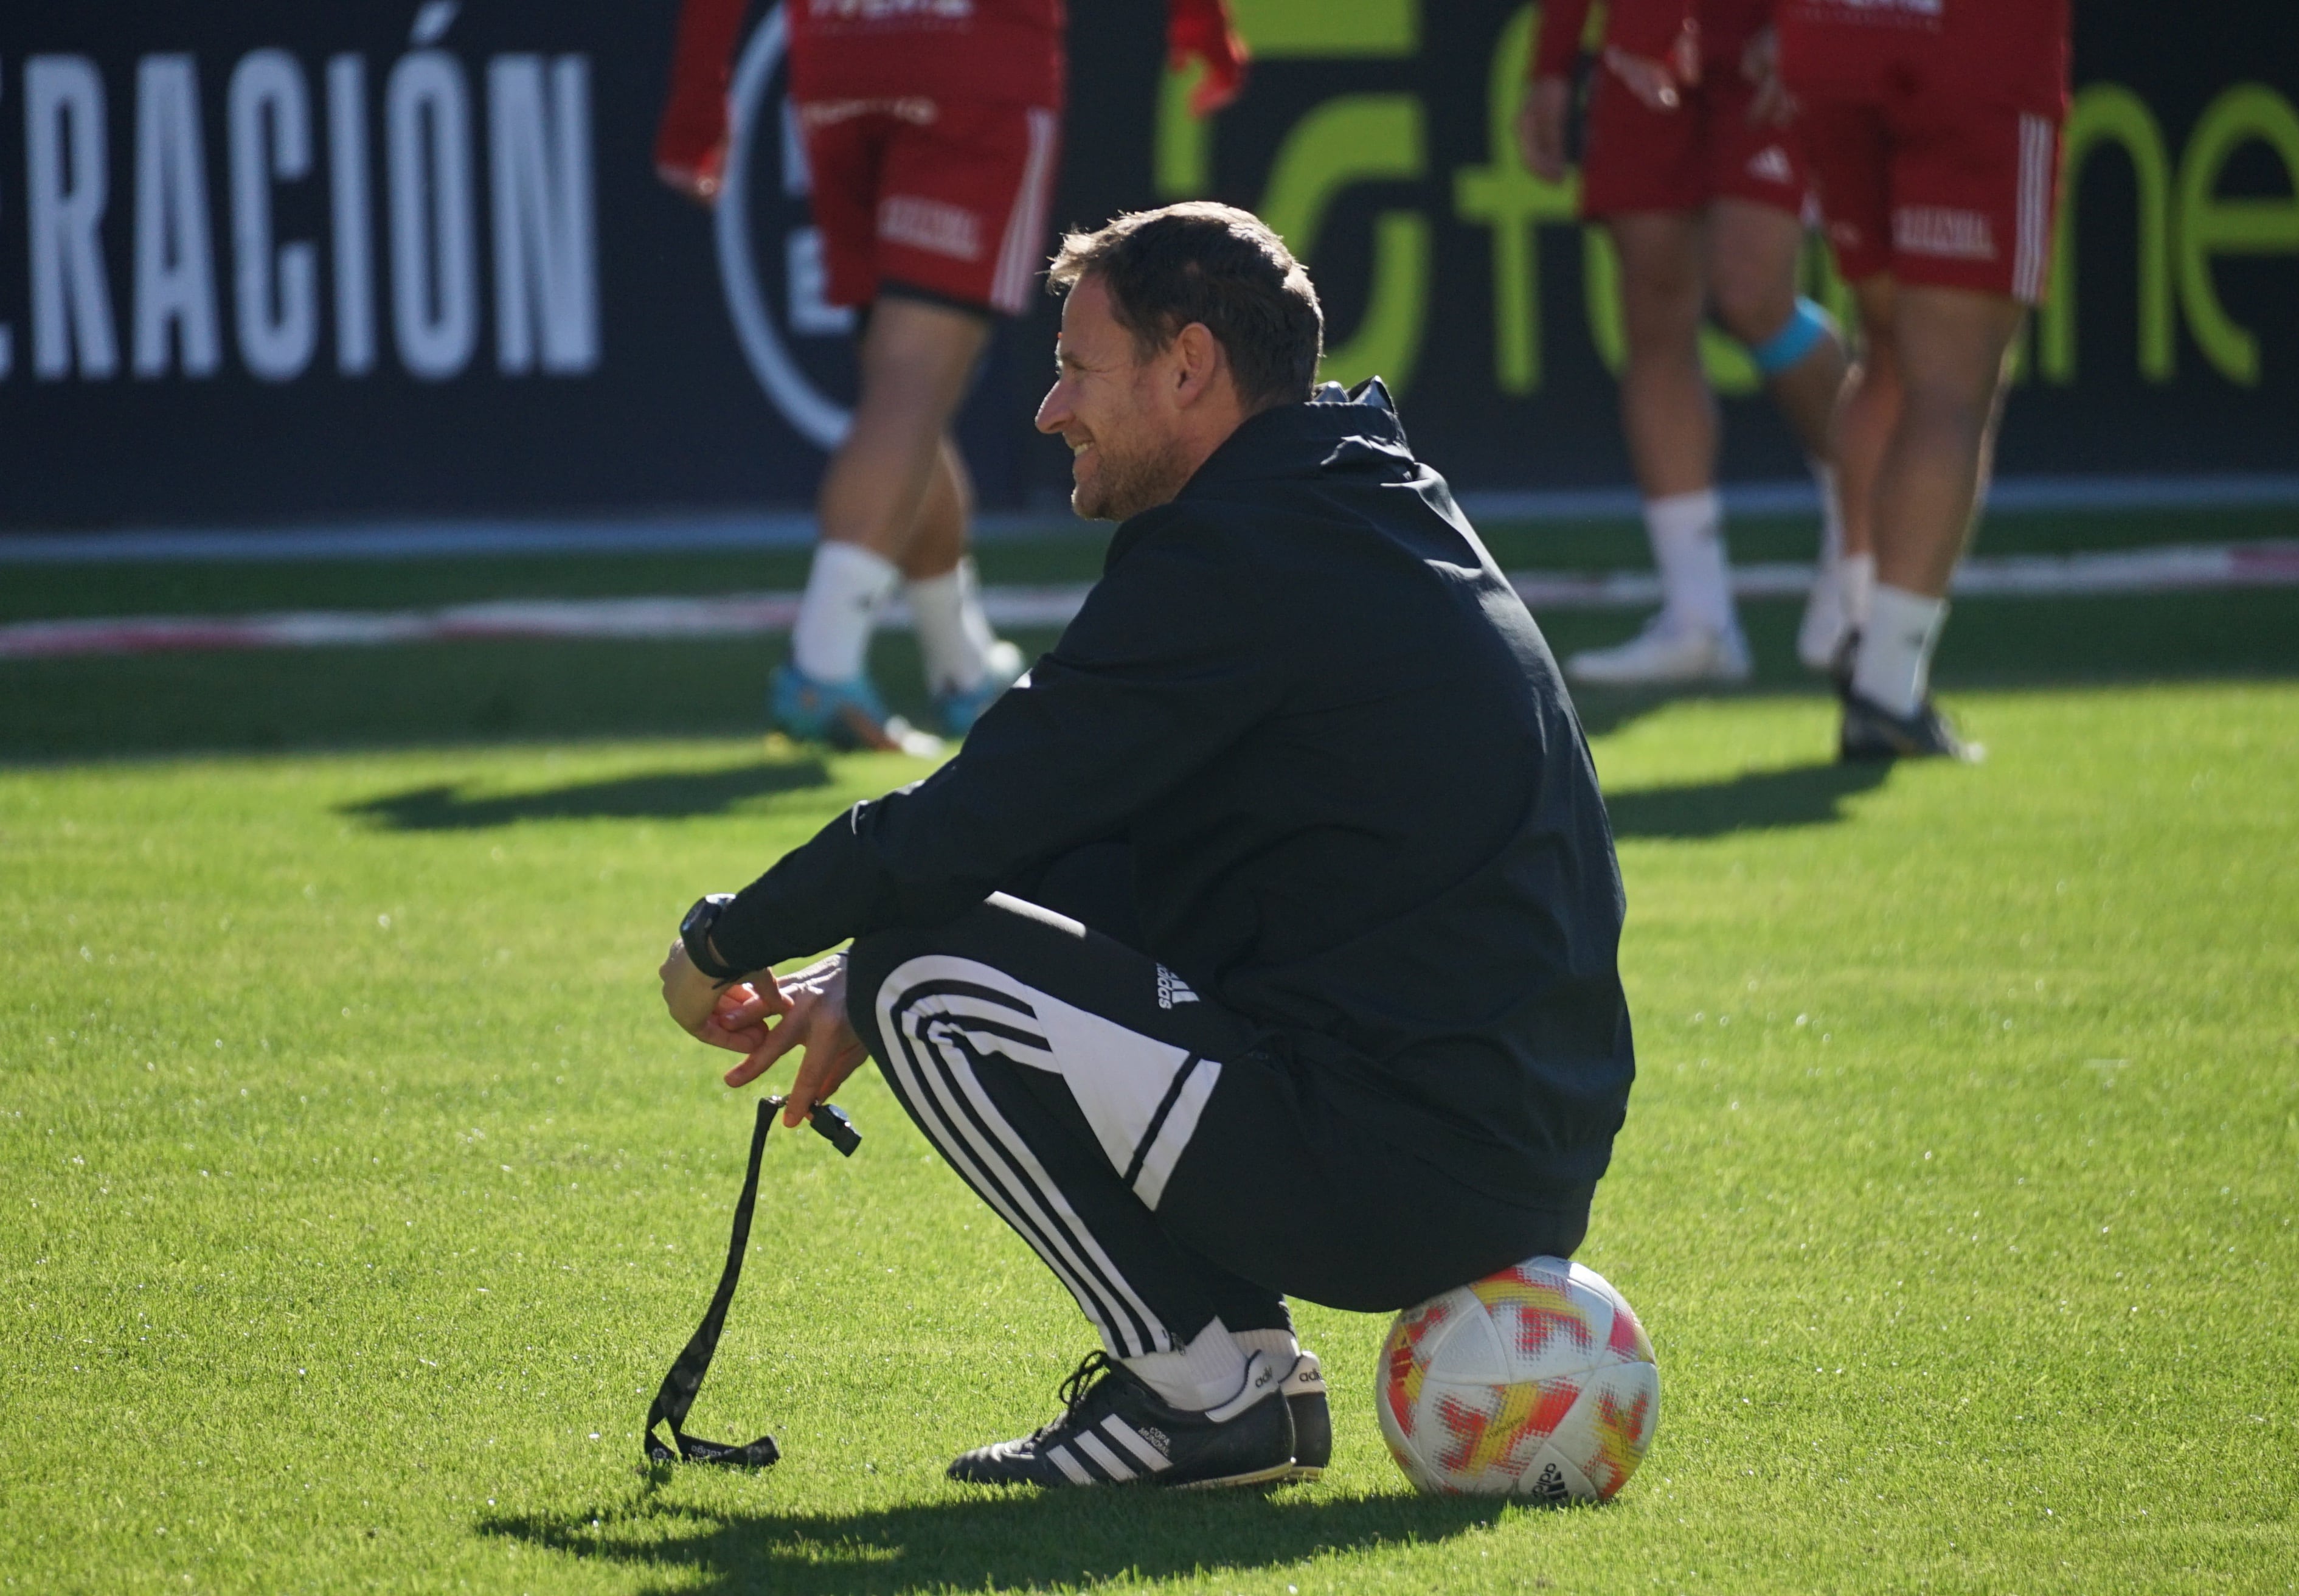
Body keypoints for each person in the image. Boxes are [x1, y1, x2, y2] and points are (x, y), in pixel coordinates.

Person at [656, 204, 1637, 1488]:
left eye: (1077, 366)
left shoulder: (1238, 549)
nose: (1051, 409)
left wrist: (725, 939)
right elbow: (1104, 832)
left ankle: (1203, 1387)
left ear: (1188, 367)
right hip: (1513, 1158)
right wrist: (841, 972)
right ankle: (1244, 1378)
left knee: (922, 971)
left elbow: (981, 811)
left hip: (1401, 1169)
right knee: (926, 946)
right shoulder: (1360, 495)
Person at [654, 0, 1248, 751]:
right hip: (973, 60)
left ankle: (960, 664)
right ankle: (822, 661)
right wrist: (1203, 26)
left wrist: (697, 100)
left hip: (841, 60)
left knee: (903, 392)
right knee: (912, 380)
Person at [1519, 0, 1868, 687]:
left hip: (1768, 40)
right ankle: (1699, 617)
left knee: (1753, 294)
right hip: (1638, 45)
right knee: (1654, 315)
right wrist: (1552, 62)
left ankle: (1860, 529)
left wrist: (1807, 29)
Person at [1777, 0, 2072, 758]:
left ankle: (1858, 624)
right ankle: (1886, 681)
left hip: (1834, 41)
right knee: (1949, 384)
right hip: (1973, 50)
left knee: (1890, 354)